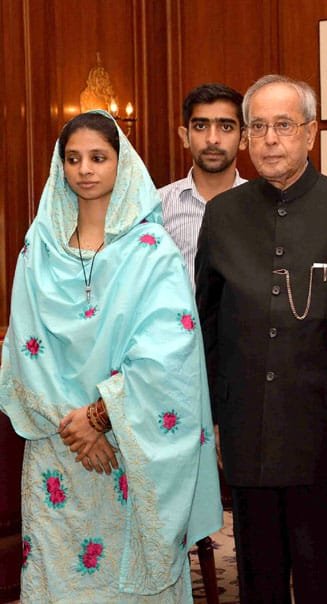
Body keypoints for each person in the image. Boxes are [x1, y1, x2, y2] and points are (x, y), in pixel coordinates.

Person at [0, 111, 221, 602]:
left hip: (129, 444)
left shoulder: (150, 249)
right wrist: (71, 425)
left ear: (123, 165)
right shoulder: (39, 246)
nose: (85, 169)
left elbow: (168, 351)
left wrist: (101, 416)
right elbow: (24, 343)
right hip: (56, 445)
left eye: (98, 157)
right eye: (73, 159)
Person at [195, 74, 327, 603]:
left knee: (323, 570)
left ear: (310, 132)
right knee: (257, 571)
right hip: (244, 423)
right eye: (256, 126)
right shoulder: (222, 215)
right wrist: (212, 413)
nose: (268, 139)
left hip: (324, 423)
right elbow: (207, 323)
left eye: (282, 125)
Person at [159, 83, 247, 291]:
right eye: (200, 126)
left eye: (226, 127)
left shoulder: (264, 207)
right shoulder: (157, 207)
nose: (212, 139)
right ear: (185, 136)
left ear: (243, 138)